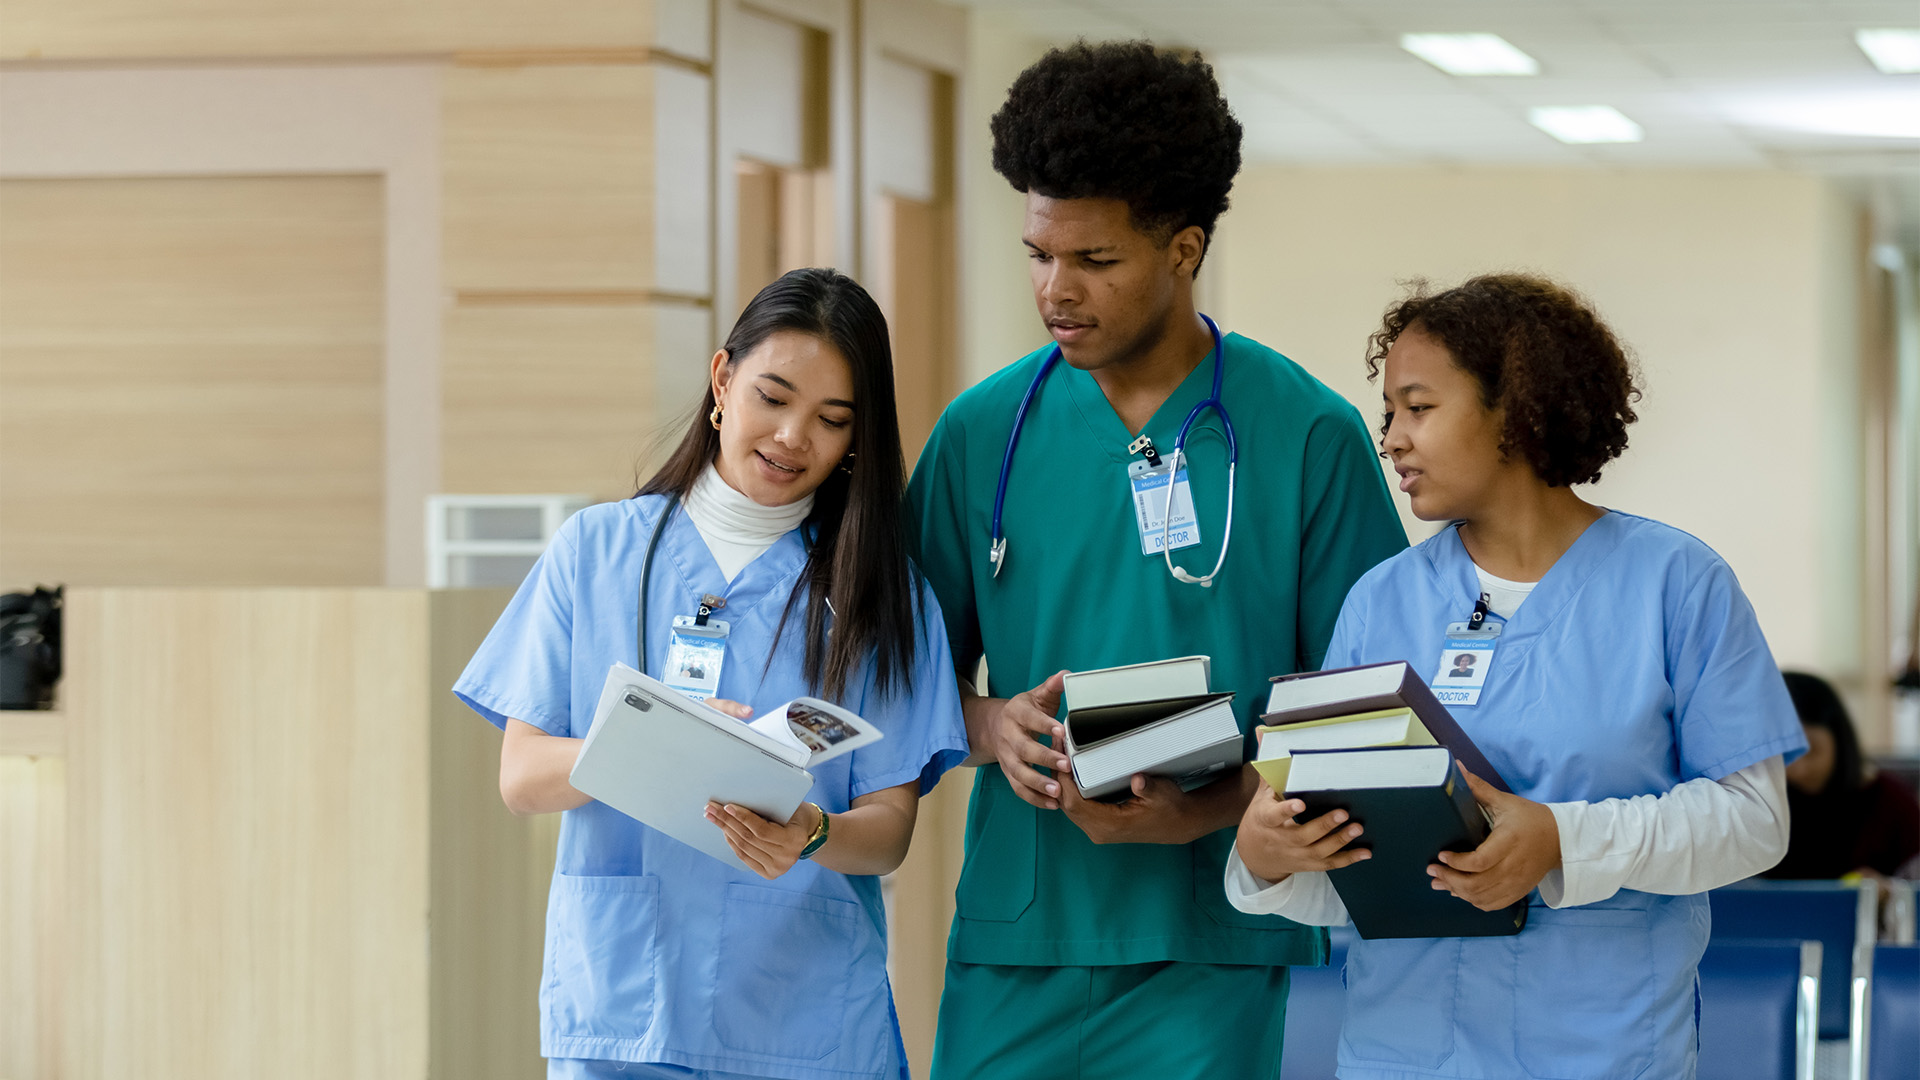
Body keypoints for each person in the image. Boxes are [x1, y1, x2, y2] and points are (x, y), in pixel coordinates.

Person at [905, 42, 1406, 1080]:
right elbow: (901, 674)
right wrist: (991, 723)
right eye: (1040, 254)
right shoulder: (981, 432)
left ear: (1184, 249)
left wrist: (1212, 808)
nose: (1057, 291)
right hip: (1022, 934)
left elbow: (1364, 710)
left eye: (1096, 262)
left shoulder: (1306, 433)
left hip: (1223, 942)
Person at [1227, 274, 1806, 1080]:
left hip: (1602, 1048)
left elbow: (1753, 824)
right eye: (1388, 410)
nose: (1390, 437)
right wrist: (1268, 856)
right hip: (1403, 1050)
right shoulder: (1379, 601)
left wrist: (1563, 841)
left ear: (1516, 409)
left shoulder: (1678, 583)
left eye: (1418, 408)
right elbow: (1356, 868)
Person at [454, 268, 970, 1080]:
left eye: (831, 420)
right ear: (722, 381)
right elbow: (523, 777)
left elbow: (889, 832)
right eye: (773, 396)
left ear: (856, 441)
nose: (794, 436)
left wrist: (813, 833)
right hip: (626, 1011)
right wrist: (653, 741)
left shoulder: (883, 595)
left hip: (807, 1018)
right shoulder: (595, 553)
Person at [1766, 670, 1920, 880]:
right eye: (1784, 756)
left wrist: (1890, 891)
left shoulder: (1891, 802)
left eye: (1812, 751)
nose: (1799, 768)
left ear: (1839, 738)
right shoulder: (1760, 805)